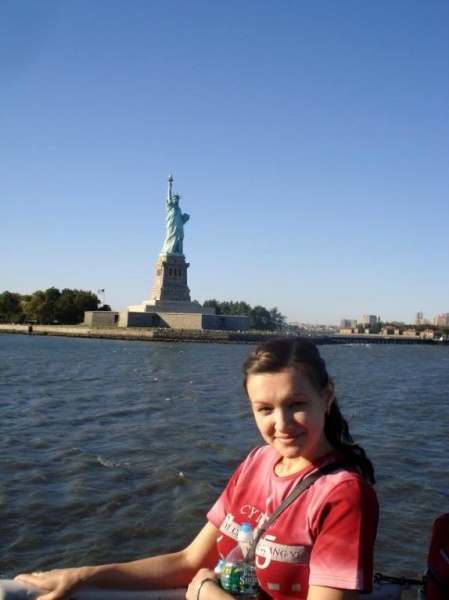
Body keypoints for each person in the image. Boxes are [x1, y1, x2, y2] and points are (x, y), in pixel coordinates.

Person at [15, 338, 378, 600]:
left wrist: (206, 592)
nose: (281, 424)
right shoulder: (258, 462)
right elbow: (190, 560)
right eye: (265, 409)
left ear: (326, 396)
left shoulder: (342, 494)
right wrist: (82, 575)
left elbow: (199, 578)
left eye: (296, 404)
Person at [161, 175, 190, 256]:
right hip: (171, 225)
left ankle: (177, 252)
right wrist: (169, 185)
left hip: (179, 227)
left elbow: (181, 220)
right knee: (170, 236)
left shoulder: (179, 209)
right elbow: (169, 195)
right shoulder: (170, 206)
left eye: (177, 199)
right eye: (174, 199)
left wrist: (185, 218)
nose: (176, 200)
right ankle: (168, 250)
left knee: (179, 238)